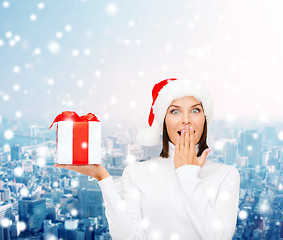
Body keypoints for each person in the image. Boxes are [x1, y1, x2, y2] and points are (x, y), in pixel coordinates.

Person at [54, 78, 240, 240]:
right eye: (175, 111)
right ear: (163, 121)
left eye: (195, 110)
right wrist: (103, 178)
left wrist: (188, 174)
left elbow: (220, 237)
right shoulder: (136, 174)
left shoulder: (226, 175)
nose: (186, 120)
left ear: (205, 118)